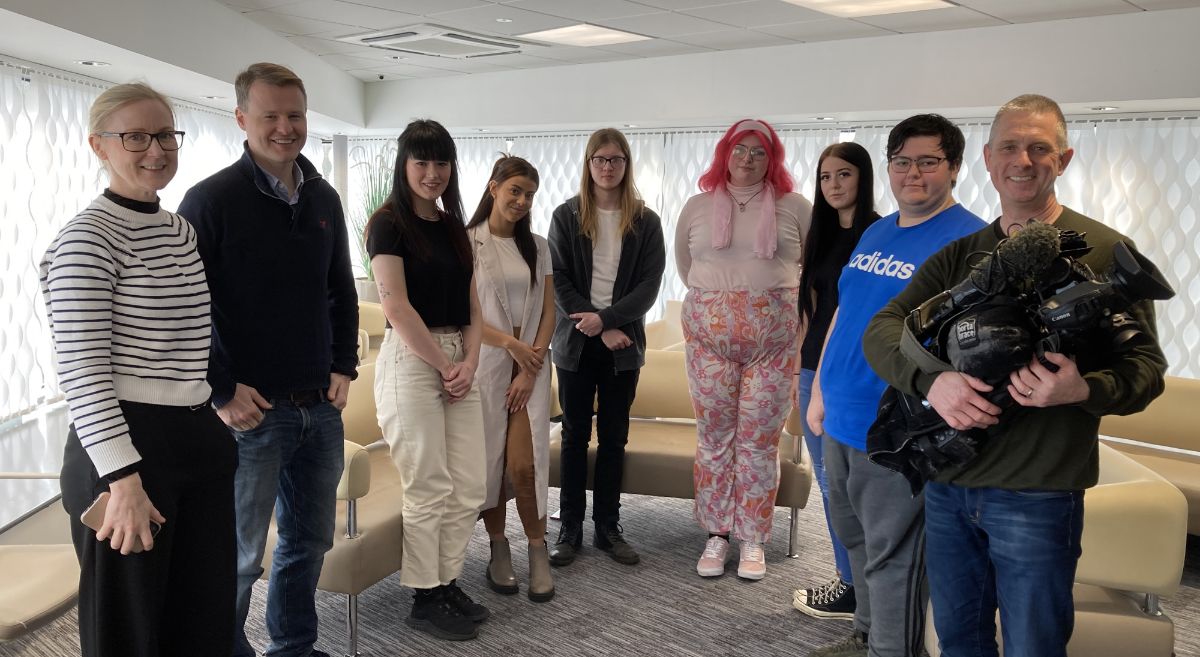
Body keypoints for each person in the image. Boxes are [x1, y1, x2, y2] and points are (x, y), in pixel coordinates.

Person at [863, 95, 1168, 657]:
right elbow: (882, 329)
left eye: (1039, 147)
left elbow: (1146, 372)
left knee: (1034, 646)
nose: (1022, 160)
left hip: (1039, 492)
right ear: (987, 157)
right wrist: (933, 381)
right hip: (950, 485)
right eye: (1009, 146)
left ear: (1065, 158)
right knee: (959, 641)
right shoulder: (964, 255)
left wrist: (1082, 390)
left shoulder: (1105, 252)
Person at [42, 82, 236, 656]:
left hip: (195, 434)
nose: (156, 150)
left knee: (201, 622)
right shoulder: (86, 239)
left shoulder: (179, 230)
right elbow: (83, 374)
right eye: (136, 136)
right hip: (126, 447)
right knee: (129, 631)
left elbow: (191, 343)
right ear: (99, 145)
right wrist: (121, 479)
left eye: (166, 135)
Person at [179, 63, 358, 657]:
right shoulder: (210, 200)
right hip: (249, 413)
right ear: (241, 119)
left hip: (318, 409)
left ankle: (294, 647)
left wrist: (343, 366)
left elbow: (341, 291)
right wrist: (220, 389)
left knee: (308, 544)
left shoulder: (323, 196)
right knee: (238, 556)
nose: (286, 128)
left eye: (295, 116)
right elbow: (187, 307)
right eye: (270, 117)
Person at [807, 115, 986, 657]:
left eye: (929, 161)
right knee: (854, 539)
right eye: (902, 161)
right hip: (838, 416)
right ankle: (865, 633)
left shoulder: (970, 240)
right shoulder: (877, 230)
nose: (913, 173)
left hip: (897, 428)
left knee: (895, 559)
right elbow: (844, 311)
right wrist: (818, 395)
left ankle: (891, 649)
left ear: (954, 167)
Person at [675, 118, 812, 581]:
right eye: (740, 149)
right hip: (708, 344)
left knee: (758, 442)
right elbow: (685, 265)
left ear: (771, 158)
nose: (748, 159)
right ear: (725, 153)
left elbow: (811, 275)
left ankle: (753, 537)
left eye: (759, 151)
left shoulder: (795, 206)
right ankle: (717, 534)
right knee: (714, 439)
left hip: (772, 347)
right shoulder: (696, 206)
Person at [368, 119, 489, 641]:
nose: (432, 173)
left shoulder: (453, 227)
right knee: (429, 483)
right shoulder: (389, 223)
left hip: (460, 357)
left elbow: (474, 306)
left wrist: (470, 360)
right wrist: (444, 366)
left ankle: (448, 578)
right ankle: (425, 594)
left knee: (469, 485)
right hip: (414, 361)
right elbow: (394, 304)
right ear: (404, 165)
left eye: (441, 163)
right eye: (422, 162)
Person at [547, 128, 666, 568]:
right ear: (588, 164)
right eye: (600, 159)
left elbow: (648, 287)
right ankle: (570, 528)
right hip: (576, 344)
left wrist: (610, 321)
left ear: (627, 164)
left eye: (616, 159)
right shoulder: (566, 215)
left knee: (615, 437)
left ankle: (608, 528)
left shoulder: (646, 221)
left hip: (622, 345)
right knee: (576, 436)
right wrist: (597, 326)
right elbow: (559, 281)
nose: (608, 167)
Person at [790, 142, 880, 618]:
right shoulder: (820, 233)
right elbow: (810, 307)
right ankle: (848, 582)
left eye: (843, 175)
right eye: (825, 177)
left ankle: (870, 589)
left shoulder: (880, 233)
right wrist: (796, 375)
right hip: (811, 371)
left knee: (860, 487)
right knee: (829, 485)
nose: (834, 186)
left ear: (862, 178)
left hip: (856, 376)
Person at [467, 155, 556, 602]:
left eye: (529, 195)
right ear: (493, 187)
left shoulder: (538, 246)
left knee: (525, 462)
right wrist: (511, 346)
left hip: (532, 370)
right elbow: (465, 318)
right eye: (514, 191)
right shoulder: (467, 243)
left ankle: (537, 550)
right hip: (487, 366)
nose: (521, 201)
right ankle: (498, 549)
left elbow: (549, 312)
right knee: (492, 464)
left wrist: (529, 363)